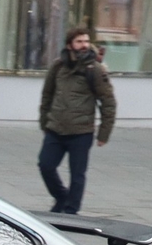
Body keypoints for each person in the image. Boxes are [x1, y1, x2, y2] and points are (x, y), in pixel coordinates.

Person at [36, 27, 115, 214]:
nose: (84, 45)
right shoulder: (58, 66)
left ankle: (71, 211)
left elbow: (108, 102)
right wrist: (44, 122)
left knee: (77, 175)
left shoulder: (94, 69)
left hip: (81, 132)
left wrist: (104, 132)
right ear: (70, 44)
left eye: (86, 41)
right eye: (79, 41)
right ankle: (62, 197)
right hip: (55, 128)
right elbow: (47, 95)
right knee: (45, 165)